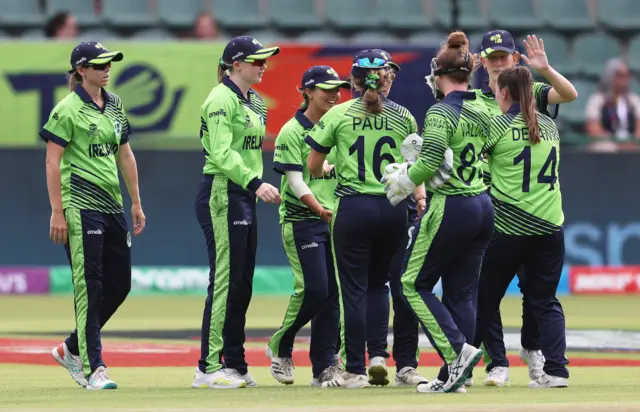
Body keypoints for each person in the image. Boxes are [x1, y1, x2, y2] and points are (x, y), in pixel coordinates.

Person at [305, 49, 423, 389]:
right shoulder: (404, 116)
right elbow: (416, 168)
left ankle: (356, 368)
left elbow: (314, 165)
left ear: (354, 80)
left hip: (354, 208)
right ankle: (379, 357)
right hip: (393, 209)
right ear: (386, 78)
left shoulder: (339, 113)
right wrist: (419, 197)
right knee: (381, 284)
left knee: (353, 290)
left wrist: (330, 168)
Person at [384, 31, 493, 394]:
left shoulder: (440, 110)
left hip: (452, 205)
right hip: (482, 203)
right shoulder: (483, 107)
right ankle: (455, 378)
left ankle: (456, 354)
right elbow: (483, 149)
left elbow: (430, 160)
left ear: (439, 73)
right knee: (462, 292)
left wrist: (404, 180)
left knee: (412, 283)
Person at [471, 30, 578, 387]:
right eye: (492, 56)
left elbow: (568, 93)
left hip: (506, 220)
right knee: (542, 298)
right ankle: (505, 363)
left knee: (488, 295)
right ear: (482, 61)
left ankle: (469, 365)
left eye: (504, 56)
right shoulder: (546, 123)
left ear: (515, 61)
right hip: (539, 220)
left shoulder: (515, 112)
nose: (499, 62)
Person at [43, 41, 145, 390]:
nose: (107, 69)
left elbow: (125, 154)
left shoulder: (115, 104)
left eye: (109, 63)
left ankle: (71, 348)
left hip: (112, 205)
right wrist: (57, 211)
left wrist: (136, 201)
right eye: (99, 64)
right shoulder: (67, 109)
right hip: (80, 206)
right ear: (81, 70)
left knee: (120, 284)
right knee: (90, 285)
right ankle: (93, 368)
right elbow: (52, 161)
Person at [192, 36, 281, 389]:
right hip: (223, 191)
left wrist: (252, 184)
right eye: (257, 60)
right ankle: (207, 367)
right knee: (226, 280)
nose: (263, 66)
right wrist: (255, 182)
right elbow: (220, 153)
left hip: (244, 194)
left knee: (242, 283)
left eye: (264, 60)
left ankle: (235, 363)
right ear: (236, 64)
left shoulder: (256, 103)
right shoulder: (219, 99)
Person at [266, 65, 350, 387]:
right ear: (308, 92)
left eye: (337, 88)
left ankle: (325, 367)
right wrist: (321, 211)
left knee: (333, 296)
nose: (334, 94)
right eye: (326, 89)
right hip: (303, 220)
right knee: (315, 289)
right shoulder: (292, 131)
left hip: (334, 221)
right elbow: (296, 182)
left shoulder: (339, 128)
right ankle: (281, 344)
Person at [361, 49, 428, 388]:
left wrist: (418, 194)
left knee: (379, 286)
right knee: (394, 286)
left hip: (373, 209)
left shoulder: (345, 112)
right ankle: (395, 361)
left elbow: (413, 163)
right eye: (384, 73)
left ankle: (383, 359)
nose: (388, 79)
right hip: (384, 210)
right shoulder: (399, 115)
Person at [585, 57, 640, 152]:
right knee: (603, 147)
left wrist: (633, 142)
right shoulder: (597, 100)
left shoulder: (633, 100)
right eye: (619, 76)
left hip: (631, 142)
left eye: (626, 76)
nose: (624, 80)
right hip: (607, 143)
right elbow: (593, 128)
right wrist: (617, 143)